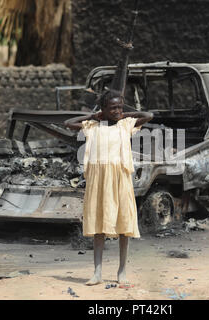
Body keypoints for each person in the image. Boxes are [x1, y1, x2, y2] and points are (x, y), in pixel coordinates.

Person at [64, 90, 153, 286]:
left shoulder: (125, 125)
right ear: (103, 109)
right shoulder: (93, 126)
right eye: (112, 108)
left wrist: (124, 114)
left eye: (120, 107)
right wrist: (93, 115)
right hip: (99, 180)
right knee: (99, 226)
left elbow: (148, 116)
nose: (117, 111)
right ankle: (97, 273)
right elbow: (68, 123)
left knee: (123, 225)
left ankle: (122, 271)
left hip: (120, 178)